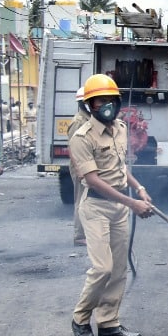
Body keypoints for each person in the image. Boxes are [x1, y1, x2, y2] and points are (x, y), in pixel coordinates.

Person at [69, 74, 154, 336]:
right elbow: (93, 180)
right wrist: (133, 205)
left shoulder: (119, 128)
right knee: (102, 268)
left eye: (109, 100)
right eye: (99, 101)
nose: (105, 105)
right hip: (95, 206)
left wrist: (139, 188)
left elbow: (120, 169)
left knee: (118, 269)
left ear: (117, 103)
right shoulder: (81, 137)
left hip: (119, 208)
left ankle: (108, 324)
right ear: (89, 105)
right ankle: (81, 319)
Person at [67, 87, 91, 246]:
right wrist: (81, 171)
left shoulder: (88, 119)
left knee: (88, 200)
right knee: (81, 200)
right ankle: (79, 235)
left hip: (88, 165)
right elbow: (74, 149)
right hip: (81, 168)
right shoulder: (78, 122)